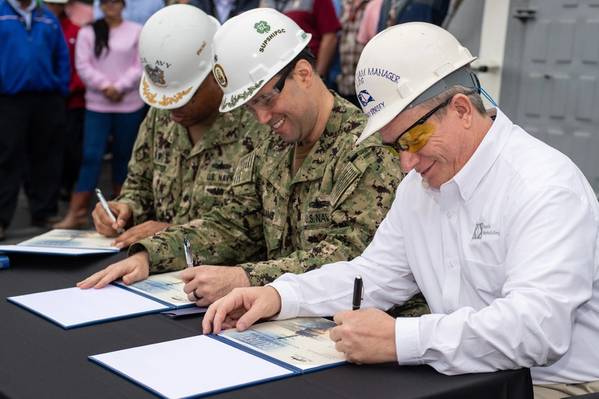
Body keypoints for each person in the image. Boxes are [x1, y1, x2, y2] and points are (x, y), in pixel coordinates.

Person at [202, 23, 599, 398]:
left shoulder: (544, 186)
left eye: (413, 138)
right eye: (395, 146)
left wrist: (399, 339)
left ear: (461, 110)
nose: (406, 163)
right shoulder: (420, 186)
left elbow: (538, 330)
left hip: (557, 385)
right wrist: (279, 294)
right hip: (466, 375)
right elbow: (372, 275)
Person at [78, 9, 409, 314]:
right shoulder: (275, 143)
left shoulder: (367, 149)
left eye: (266, 99)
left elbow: (350, 258)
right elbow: (234, 223)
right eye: (251, 107)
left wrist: (245, 278)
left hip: (352, 332)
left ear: (304, 73)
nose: (263, 118)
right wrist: (151, 254)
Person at [90, 4, 268, 248]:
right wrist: (125, 209)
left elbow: (258, 226)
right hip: (151, 271)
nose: (173, 107)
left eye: (185, 96)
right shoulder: (161, 114)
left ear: (218, 71)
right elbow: (139, 185)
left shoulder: (259, 122)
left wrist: (174, 236)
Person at [54, 0, 145, 229]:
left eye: (115, 1)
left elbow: (140, 64)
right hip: (98, 104)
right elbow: (83, 65)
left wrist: (121, 86)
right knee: (91, 157)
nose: (110, 6)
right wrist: (106, 86)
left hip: (128, 104)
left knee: (125, 158)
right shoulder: (88, 31)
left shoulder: (136, 31)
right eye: (105, 2)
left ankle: (123, 214)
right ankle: (77, 212)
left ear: (123, 5)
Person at [0, 0, 70, 240]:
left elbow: (61, 53)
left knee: (47, 155)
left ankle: (45, 212)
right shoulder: (1, 12)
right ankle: (1, 219)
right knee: (7, 156)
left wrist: (60, 87)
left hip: (46, 97)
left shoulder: (47, 16)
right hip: (9, 98)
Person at [43, 0, 87, 202]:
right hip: (47, 97)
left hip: (72, 100)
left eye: (57, 4)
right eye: (49, 3)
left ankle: (66, 188)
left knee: (70, 149)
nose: (53, 7)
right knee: (44, 150)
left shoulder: (76, 30)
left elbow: (79, 65)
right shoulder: (41, 25)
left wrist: (69, 89)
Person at [259, 0, 341, 78]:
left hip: (308, 71)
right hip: (278, 74)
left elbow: (330, 37)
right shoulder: (266, 3)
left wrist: (318, 76)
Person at [93, 0, 163, 25]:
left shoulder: (156, 1)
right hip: (111, 47)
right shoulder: (103, 1)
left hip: (146, 46)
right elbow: (100, 23)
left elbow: (159, 26)